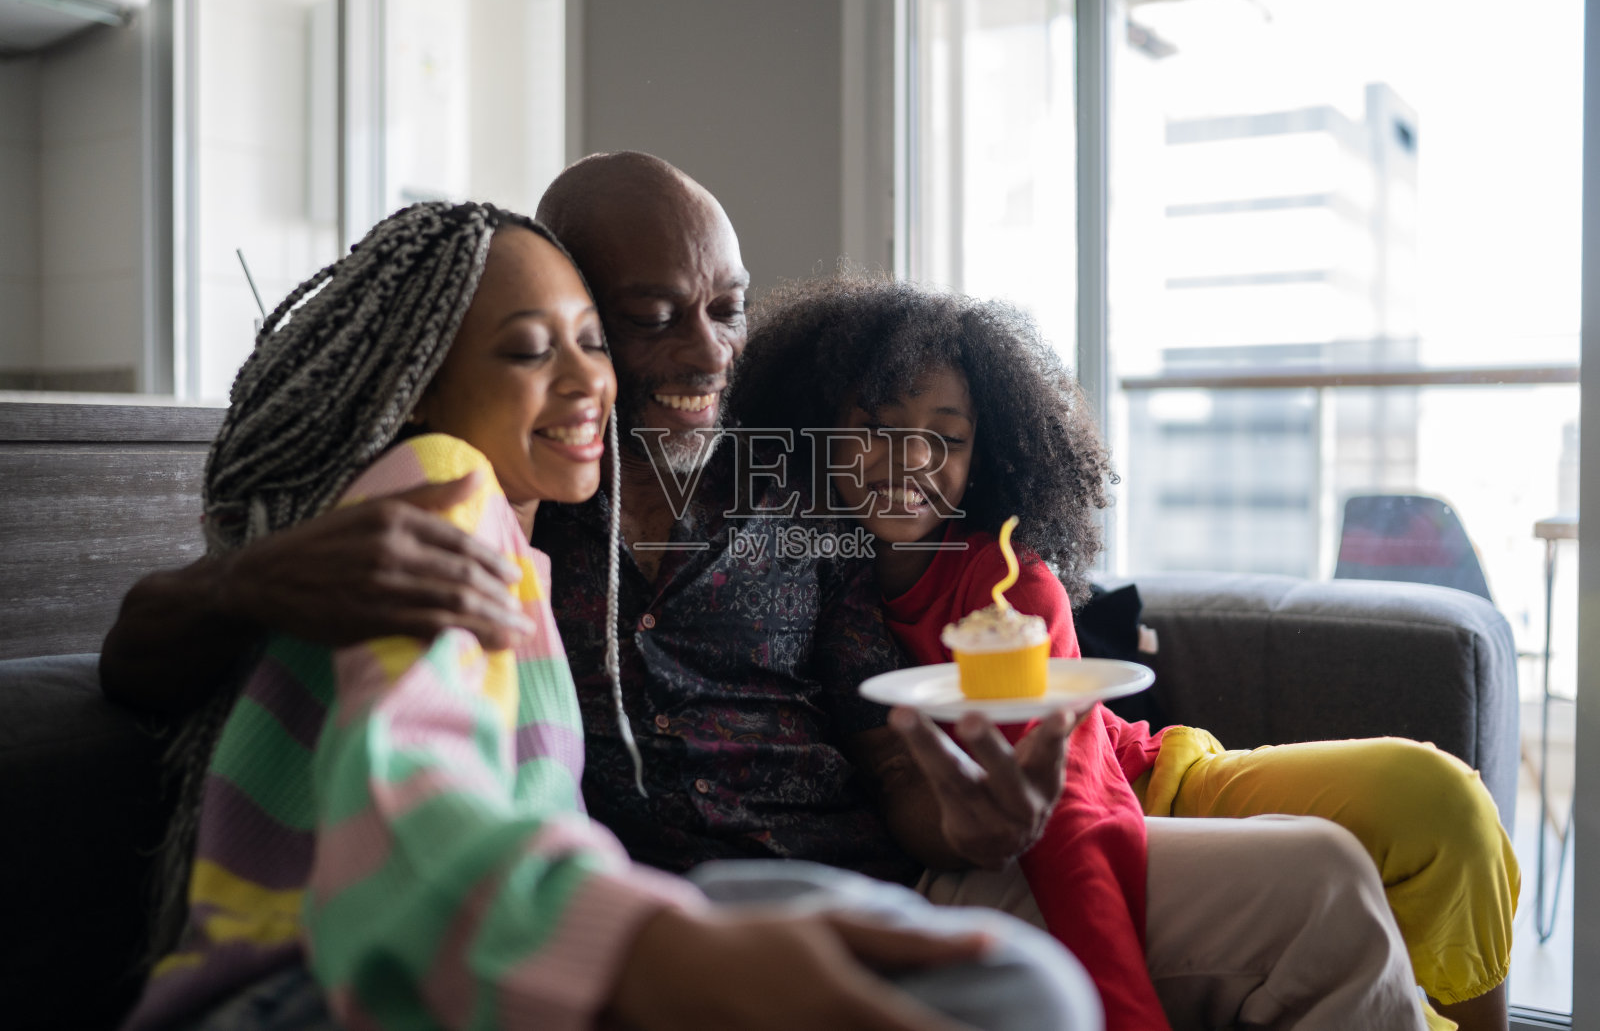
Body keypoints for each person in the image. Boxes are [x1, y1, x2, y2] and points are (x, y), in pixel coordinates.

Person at [106, 155, 1427, 1029]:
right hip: (667, 910)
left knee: (1320, 879)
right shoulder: (503, 501)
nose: (703, 355)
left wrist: (972, 805)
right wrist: (261, 572)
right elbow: (160, 656)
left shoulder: (793, 500)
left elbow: (883, 736)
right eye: (651, 313)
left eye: (726, 308)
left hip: (890, 871)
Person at [727, 272, 1520, 1031]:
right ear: (812, 422)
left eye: (946, 437)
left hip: (1141, 783)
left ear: (986, 456)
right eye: (874, 427)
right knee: (1330, 869)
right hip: (995, 844)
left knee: (1437, 798)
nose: (910, 463)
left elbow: (1077, 800)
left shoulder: (1012, 582)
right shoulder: (785, 578)